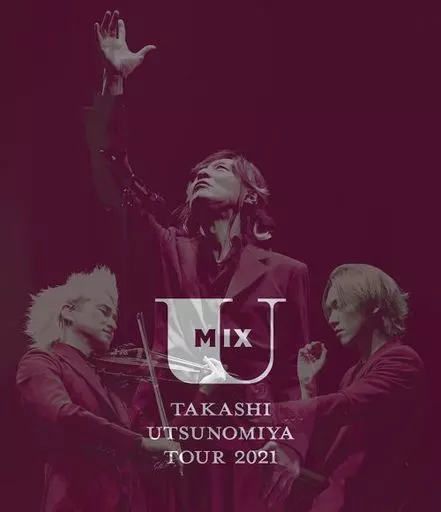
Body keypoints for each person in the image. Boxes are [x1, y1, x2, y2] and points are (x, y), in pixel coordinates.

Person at [84, 10, 310, 512]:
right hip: (172, 437)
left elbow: (293, 376)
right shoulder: (170, 248)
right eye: (196, 174)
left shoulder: (287, 272)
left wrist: (292, 447)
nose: (202, 175)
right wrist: (114, 84)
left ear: (250, 195)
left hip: (246, 445)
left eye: (220, 170)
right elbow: (114, 172)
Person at [16, 266, 180, 512]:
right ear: (68, 312)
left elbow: (141, 439)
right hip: (78, 503)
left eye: (114, 317)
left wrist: (203, 394)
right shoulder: (41, 362)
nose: (112, 324)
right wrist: (140, 444)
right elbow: (64, 414)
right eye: (104, 312)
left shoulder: (106, 379)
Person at [264, 264, 427, 511]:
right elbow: (326, 451)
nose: (331, 319)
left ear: (373, 303)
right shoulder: (353, 374)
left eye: (338, 306)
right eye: (329, 310)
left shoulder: (402, 361)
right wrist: (307, 386)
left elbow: (344, 405)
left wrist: (270, 412)